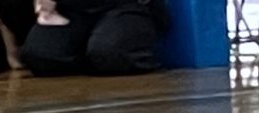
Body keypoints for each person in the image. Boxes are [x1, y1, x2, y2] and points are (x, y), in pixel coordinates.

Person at [20, 0, 167, 76]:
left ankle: (97, 50)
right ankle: (91, 50)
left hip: (124, 6)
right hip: (72, 9)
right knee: (39, 56)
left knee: (110, 53)